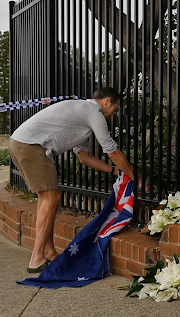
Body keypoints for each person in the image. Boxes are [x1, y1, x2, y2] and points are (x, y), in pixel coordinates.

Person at [9, 87, 148, 273]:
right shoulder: (92, 112)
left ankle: (49, 252)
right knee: (51, 198)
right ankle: (36, 259)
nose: (113, 114)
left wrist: (115, 171)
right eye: (114, 108)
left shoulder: (82, 117)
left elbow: (84, 157)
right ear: (107, 101)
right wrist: (135, 176)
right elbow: (112, 151)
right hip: (32, 146)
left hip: (22, 143)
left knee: (47, 199)